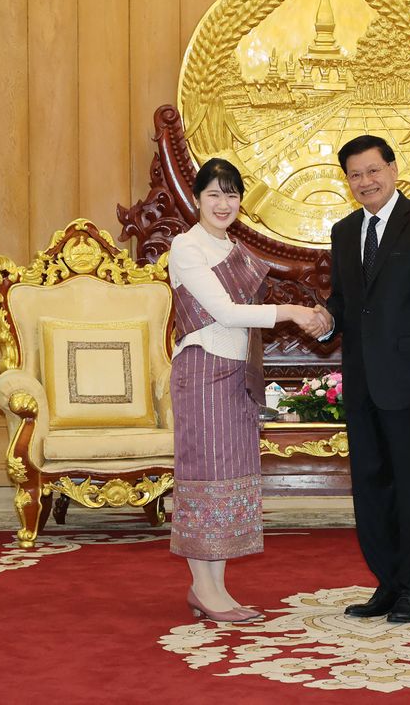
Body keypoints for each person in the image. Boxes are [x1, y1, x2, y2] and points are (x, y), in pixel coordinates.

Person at [168, 158, 329, 623]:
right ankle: (202, 586)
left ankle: (216, 587)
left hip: (235, 375)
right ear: (196, 199)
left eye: (232, 194)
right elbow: (224, 312)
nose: (224, 204)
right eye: (214, 194)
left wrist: (308, 315)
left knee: (230, 478)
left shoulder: (234, 247)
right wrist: (295, 312)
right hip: (202, 372)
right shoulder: (187, 247)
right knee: (204, 478)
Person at [316, 135, 410, 623]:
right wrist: (325, 320)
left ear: (394, 170)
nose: (365, 182)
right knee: (372, 490)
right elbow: (344, 303)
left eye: (373, 171)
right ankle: (387, 584)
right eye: (355, 175)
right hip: (361, 385)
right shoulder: (343, 231)